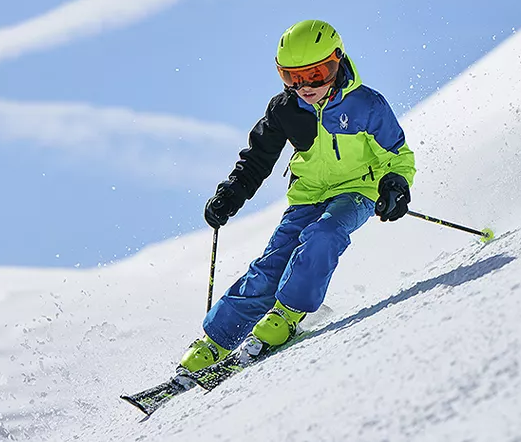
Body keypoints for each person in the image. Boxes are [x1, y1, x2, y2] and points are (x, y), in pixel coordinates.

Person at [177, 19, 416, 373]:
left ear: (337, 62)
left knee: (324, 234)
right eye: (292, 77)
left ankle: (288, 314)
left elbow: (398, 155)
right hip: (308, 195)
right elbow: (257, 160)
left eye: (317, 74)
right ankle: (217, 340)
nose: (305, 87)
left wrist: (395, 185)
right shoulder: (284, 110)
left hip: (358, 190)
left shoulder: (366, 105)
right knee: (270, 266)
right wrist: (231, 194)